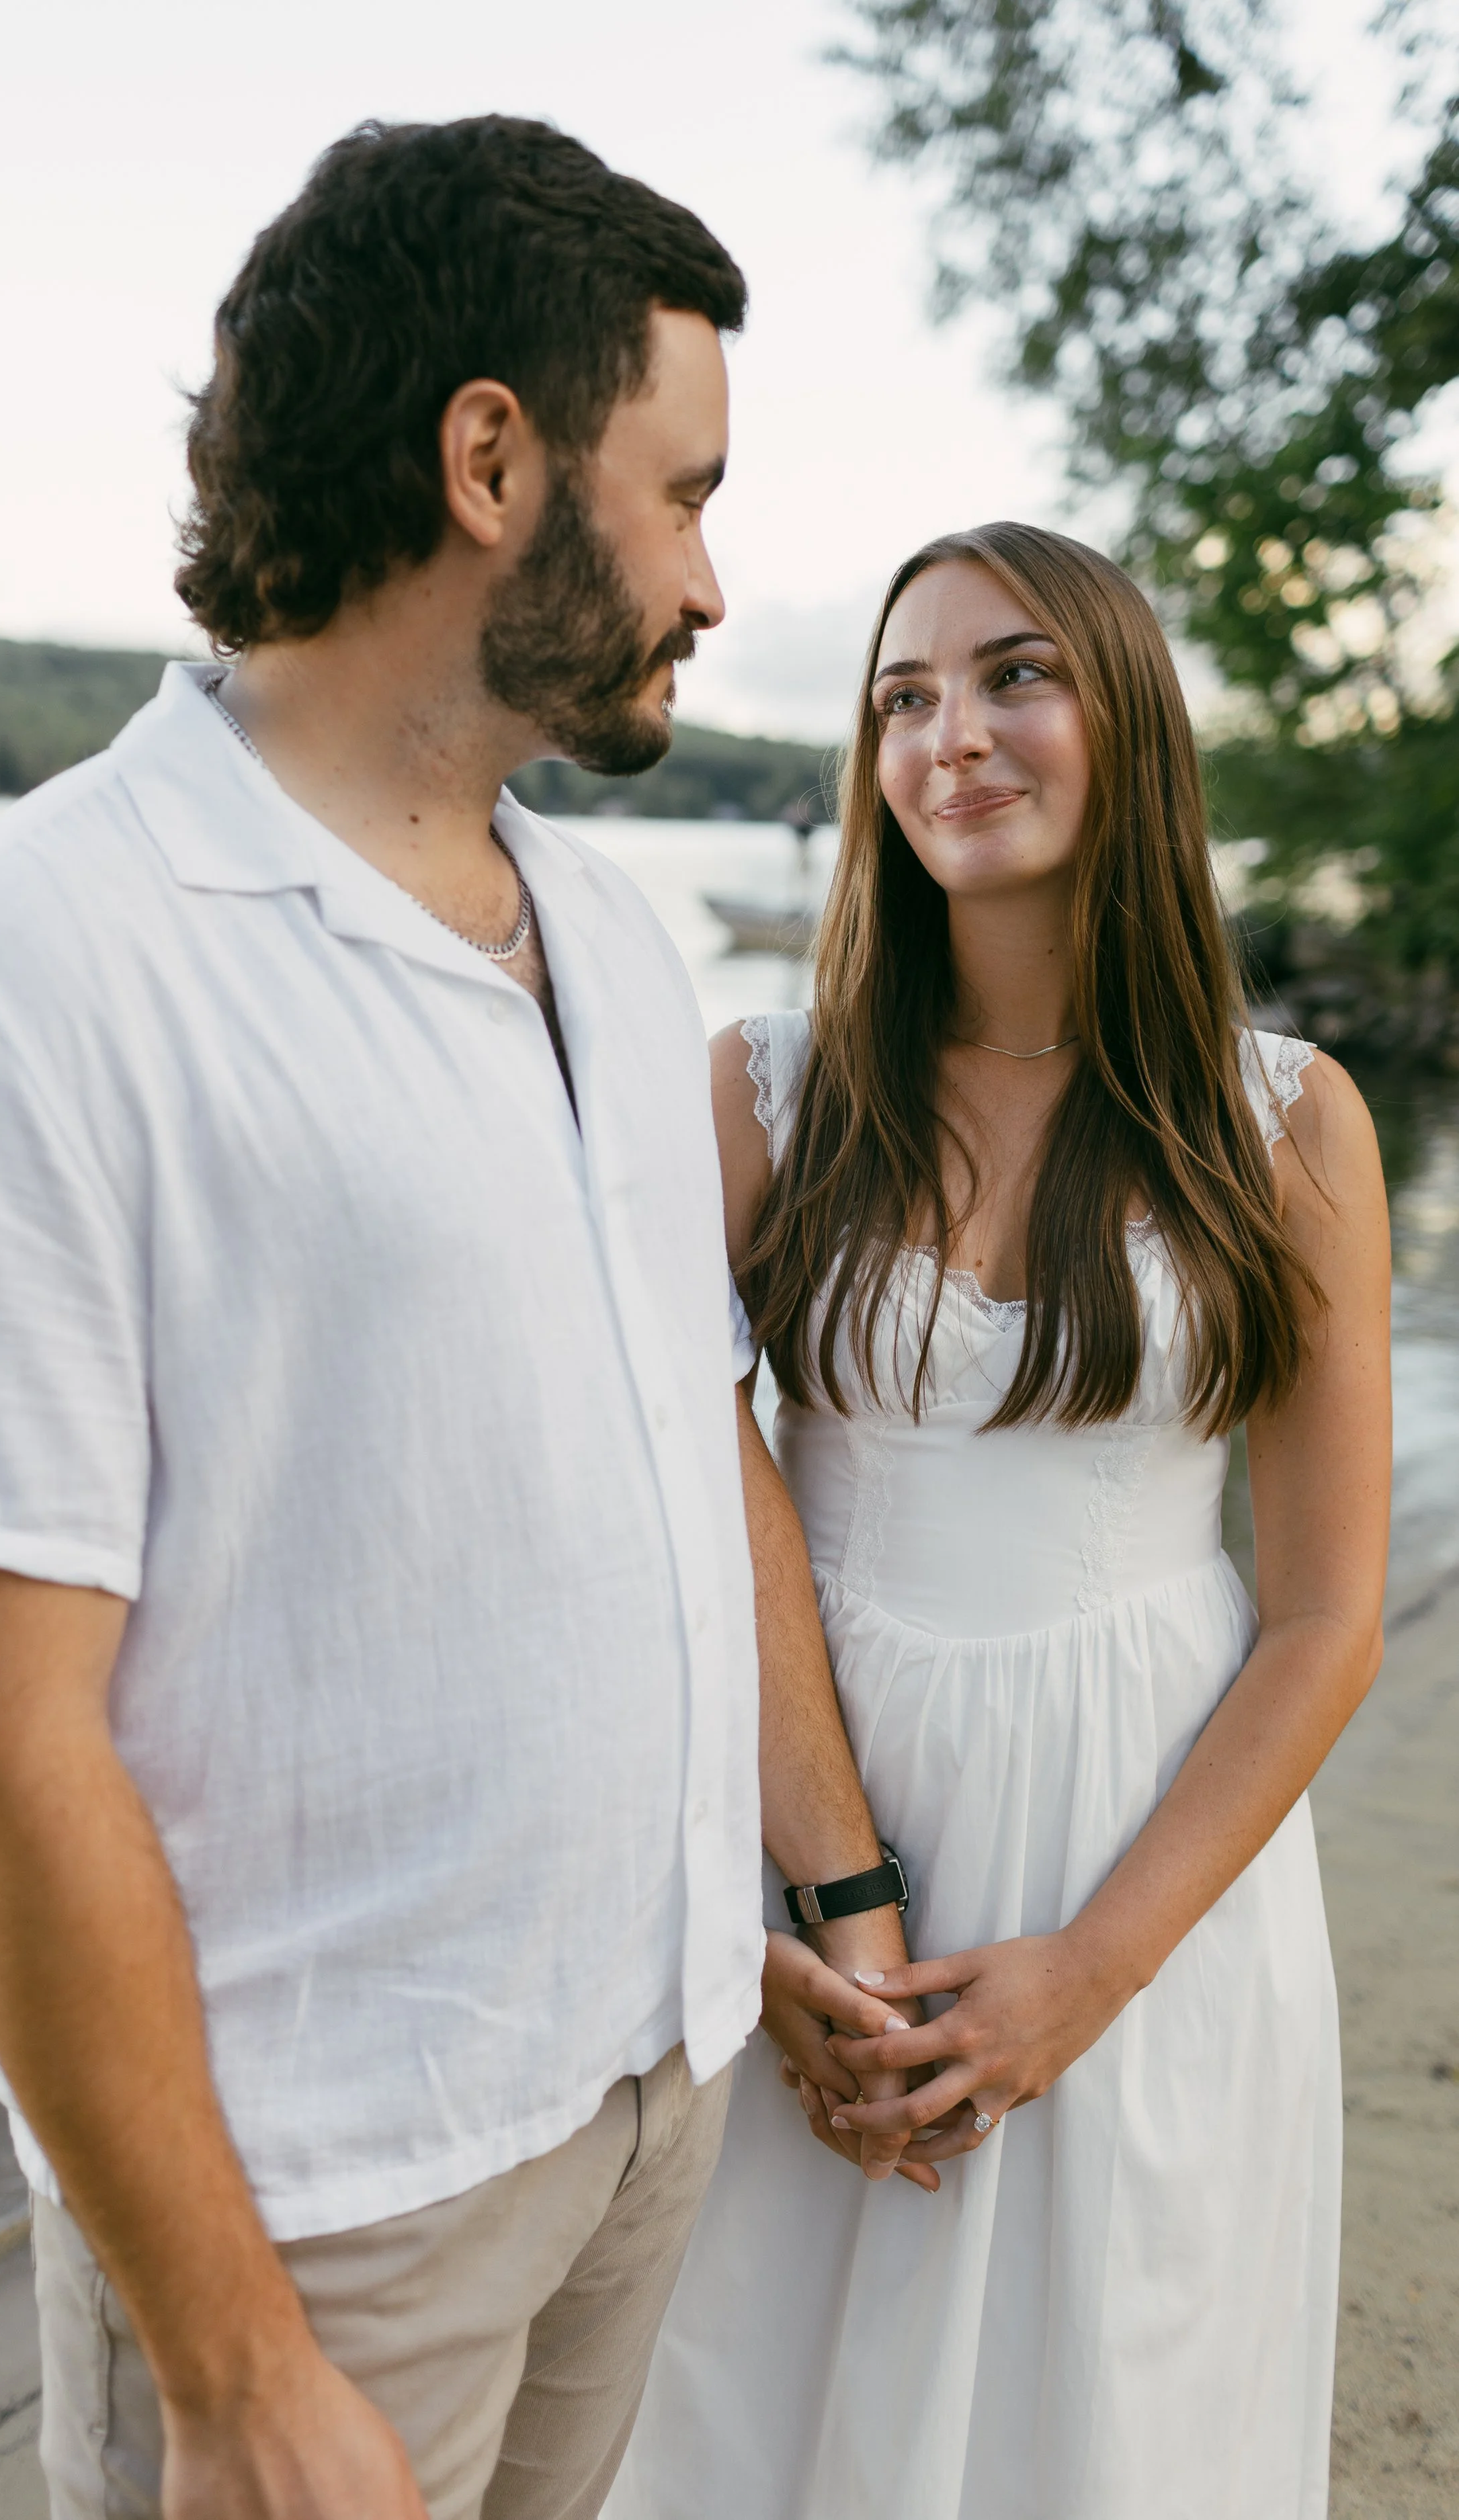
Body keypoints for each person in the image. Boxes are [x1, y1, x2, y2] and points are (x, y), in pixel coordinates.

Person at [0, 118, 908, 2520]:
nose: (713, 582)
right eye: (683, 490)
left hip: (651, 2089)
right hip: (325, 2197)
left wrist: (804, 1892)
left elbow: (689, 1446)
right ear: (489, 456)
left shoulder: (617, 944)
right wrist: (229, 2361)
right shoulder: (30, 977)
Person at [606, 521, 1390, 2519]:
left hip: (1148, 1861)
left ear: (1124, 720)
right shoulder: (765, 1093)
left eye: (1012, 676)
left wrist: (1097, 1966)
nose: (951, 732)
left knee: (1115, 2423)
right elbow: (674, 1471)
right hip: (819, 1839)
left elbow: (1322, 1613)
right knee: (755, 2410)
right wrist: (808, 1901)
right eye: (901, 696)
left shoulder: (1282, 1120)